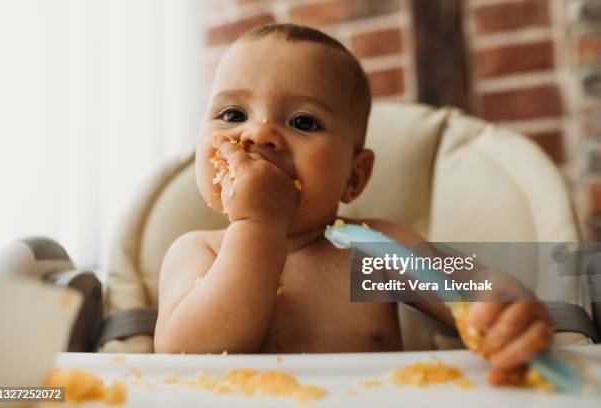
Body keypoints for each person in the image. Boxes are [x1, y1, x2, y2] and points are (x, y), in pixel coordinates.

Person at [154, 23, 551, 385]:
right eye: (232, 113)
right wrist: (258, 227)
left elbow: (468, 281)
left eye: (303, 122)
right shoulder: (199, 251)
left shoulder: (371, 247)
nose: (259, 134)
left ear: (354, 176)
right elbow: (186, 356)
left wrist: (504, 308)